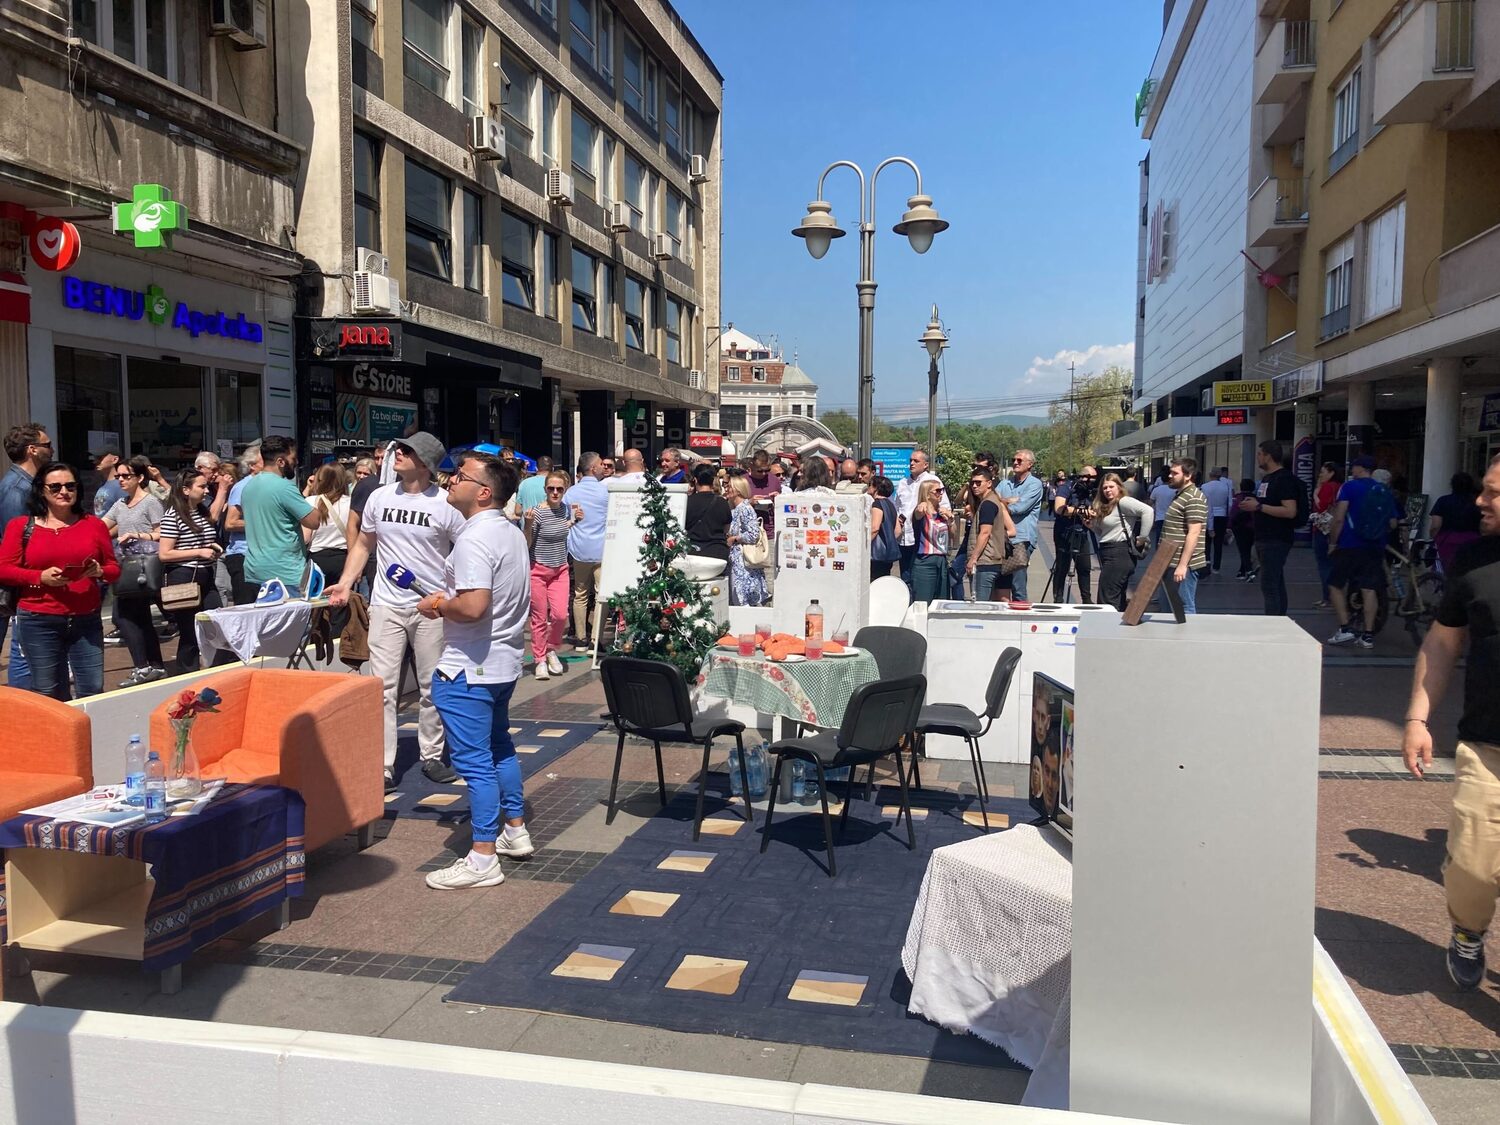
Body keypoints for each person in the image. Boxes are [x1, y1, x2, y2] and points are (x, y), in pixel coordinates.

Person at [1402, 453, 1500, 989]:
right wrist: (1417, 717)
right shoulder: (1474, 560)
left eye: (1493, 493)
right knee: (1472, 870)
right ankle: (1468, 928)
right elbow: (1442, 644)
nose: (1480, 501)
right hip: (1488, 747)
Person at [417, 452, 534, 889]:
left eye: (459, 476)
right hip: (502, 663)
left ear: (484, 492)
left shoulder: (474, 538)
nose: (450, 481)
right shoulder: (510, 532)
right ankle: (515, 830)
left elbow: (473, 606)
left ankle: (483, 856)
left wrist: (437, 603)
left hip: (469, 668)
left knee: (476, 763)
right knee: (499, 747)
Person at [329, 432, 465, 788]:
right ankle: (383, 764)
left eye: (407, 450)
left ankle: (431, 755)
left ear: (425, 462)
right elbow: (363, 544)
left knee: (431, 685)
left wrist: (452, 596)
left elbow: (465, 550)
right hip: (386, 603)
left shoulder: (446, 504)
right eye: (399, 449)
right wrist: (346, 582)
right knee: (382, 686)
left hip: (430, 607)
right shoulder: (380, 496)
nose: (397, 453)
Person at [0, 462, 119, 699]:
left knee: (93, 690)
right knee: (48, 691)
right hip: (38, 619)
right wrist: (39, 577)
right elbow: (4, 569)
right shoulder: (21, 526)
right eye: (55, 487)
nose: (64, 492)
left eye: (70, 486)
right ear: (41, 490)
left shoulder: (94, 525)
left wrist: (99, 571)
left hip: (85, 619)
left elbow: (114, 569)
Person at [102, 456, 167, 686]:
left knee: (125, 616)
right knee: (139, 617)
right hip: (126, 565)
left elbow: (162, 533)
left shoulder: (150, 502)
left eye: (126, 476)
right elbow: (101, 526)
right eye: (118, 476)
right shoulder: (121, 503)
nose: (120, 480)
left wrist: (137, 535)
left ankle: (144, 666)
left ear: (139, 478)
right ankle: (154, 665)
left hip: (144, 566)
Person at [0, 422, 52, 689]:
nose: (51, 450)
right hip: (15, 584)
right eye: (47, 445)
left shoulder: (29, 485)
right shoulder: (16, 489)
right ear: (32, 450)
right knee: (22, 651)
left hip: (22, 581)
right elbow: (16, 542)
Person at [157, 467, 224, 674]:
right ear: (186, 490)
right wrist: (199, 552)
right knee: (189, 632)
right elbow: (164, 554)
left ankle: (217, 669)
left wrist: (211, 548)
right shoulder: (173, 515)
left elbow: (200, 540)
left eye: (206, 486)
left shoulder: (202, 512)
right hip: (184, 576)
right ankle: (187, 673)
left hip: (206, 574)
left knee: (217, 621)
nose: (206, 491)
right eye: (201, 487)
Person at [1325, 456, 1397, 648]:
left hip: (1350, 544)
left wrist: (1333, 542)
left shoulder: (1349, 487)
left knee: (1335, 584)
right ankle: (1368, 635)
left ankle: (1345, 628)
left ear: (1360, 468)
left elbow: (1339, 518)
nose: (1352, 470)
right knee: (1369, 589)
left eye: (1353, 467)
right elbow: (1392, 523)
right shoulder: (1382, 490)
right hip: (1374, 546)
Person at [241, 436, 320, 594]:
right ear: (280, 462)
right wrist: (318, 497)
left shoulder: (248, 486)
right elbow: (314, 521)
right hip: (286, 572)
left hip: (255, 570)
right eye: (293, 459)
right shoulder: (285, 488)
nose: (296, 463)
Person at [1238, 440, 1304, 616]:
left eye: (1260, 454)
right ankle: (1279, 618)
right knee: (1275, 581)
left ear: (1268, 456)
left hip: (1276, 538)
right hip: (1264, 537)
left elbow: (1290, 511)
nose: (1258, 457)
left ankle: (1273, 620)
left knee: (1269, 584)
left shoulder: (1283, 479)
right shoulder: (1267, 479)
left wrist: (1259, 507)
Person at [524, 469, 577, 681]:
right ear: (545, 489)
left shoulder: (564, 509)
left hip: (560, 569)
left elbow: (562, 527)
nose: (555, 492)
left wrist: (575, 521)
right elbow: (527, 543)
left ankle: (551, 648)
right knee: (539, 618)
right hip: (538, 569)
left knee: (560, 615)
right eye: (551, 489)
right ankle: (540, 659)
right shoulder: (537, 512)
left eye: (559, 489)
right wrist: (528, 524)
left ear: (565, 490)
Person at [563, 452, 609, 651]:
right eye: (600, 464)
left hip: (579, 548)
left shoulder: (571, 493)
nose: (603, 467)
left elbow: (568, 517)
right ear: (593, 468)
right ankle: (596, 639)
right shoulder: (605, 491)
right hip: (602, 549)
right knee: (601, 595)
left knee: (580, 593)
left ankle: (581, 637)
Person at [1091, 473, 1154, 610]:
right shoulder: (1107, 505)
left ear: (1119, 487)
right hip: (1109, 552)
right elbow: (1104, 533)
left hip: (1119, 553)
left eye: (1111, 487)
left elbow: (1148, 511)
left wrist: (1142, 537)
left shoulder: (1123, 501)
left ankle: (1109, 623)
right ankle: (1118, 621)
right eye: (1105, 487)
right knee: (1115, 596)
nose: (1108, 490)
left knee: (1107, 597)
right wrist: (1091, 525)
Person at [305, 463, 352, 634]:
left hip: (317, 560)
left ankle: (317, 640)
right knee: (339, 607)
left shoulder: (311, 501)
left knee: (315, 607)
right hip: (343, 559)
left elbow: (306, 537)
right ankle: (337, 639)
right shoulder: (350, 503)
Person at [1157, 458, 1207, 615]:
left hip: (1183, 564)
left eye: (1174, 473)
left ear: (1188, 475)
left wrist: (1183, 565)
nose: (1170, 476)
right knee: (1168, 606)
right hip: (1170, 560)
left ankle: (1186, 631)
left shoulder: (1194, 497)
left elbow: (1194, 533)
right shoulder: (1181, 495)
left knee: (1184, 607)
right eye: (1170, 472)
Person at [894, 449, 946, 593]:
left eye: (916, 461)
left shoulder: (933, 482)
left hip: (923, 539)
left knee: (918, 579)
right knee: (905, 578)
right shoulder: (903, 483)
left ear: (925, 465)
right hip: (904, 537)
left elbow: (944, 506)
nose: (911, 463)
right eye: (910, 460)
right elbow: (897, 507)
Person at [996, 449, 1045, 601]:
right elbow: (992, 502)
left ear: (1030, 464)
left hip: (1021, 539)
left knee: (1018, 584)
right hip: (1003, 537)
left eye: (1019, 460)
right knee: (1001, 584)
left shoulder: (1035, 484)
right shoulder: (1005, 483)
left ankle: (1021, 610)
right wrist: (1010, 500)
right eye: (1014, 460)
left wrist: (1003, 502)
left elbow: (1019, 508)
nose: (1015, 463)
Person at [965, 466, 1015, 603]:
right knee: (991, 604)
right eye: (972, 483)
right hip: (993, 560)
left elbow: (985, 532)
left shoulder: (988, 504)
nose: (974, 486)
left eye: (978, 483)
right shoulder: (992, 501)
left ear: (989, 483)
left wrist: (973, 558)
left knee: (980, 604)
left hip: (985, 562)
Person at [222, 441, 263, 604]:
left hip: (264, 556)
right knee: (247, 607)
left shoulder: (269, 485)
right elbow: (231, 523)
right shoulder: (242, 487)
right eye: (265, 461)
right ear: (252, 465)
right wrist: (264, 524)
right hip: (244, 556)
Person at [1051, 467, 1097, 603]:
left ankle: (1087, 600)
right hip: (1064, 532)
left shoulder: (1090, 492)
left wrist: (1091, 514)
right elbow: (1059, 508)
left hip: (1082, 532)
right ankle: (1058, 598)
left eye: (1094, 478)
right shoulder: (1066, 488)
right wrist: (1079, 511)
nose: (1091, 482)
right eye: (1089, 478)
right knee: (1062, 567)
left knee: (1084, 567)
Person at [725, 475, 767, 606]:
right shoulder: (734, 508)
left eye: (729, 486)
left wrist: (735, 538)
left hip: (744, 562)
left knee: (743, 599)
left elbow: (753, 534)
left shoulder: (745, 509)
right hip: (736, 560)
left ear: (738, 490)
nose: (726, 488)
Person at [909, 479, 953, 604]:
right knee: (923, 602)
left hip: (942, 560)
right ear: (927, 494)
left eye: (942, 490)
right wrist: (921, 507)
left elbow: (953, 535)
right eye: (937, 491)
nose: (941, 494)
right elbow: (917, 515)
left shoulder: (942, 513)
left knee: (941, 602)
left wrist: (950, 519)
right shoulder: (922, 512)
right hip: (925, 560)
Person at [1430, 471, 1482, 574]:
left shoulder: (1443, 501)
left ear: (1452, 485)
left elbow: (1436, 526)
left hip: (1447, 541)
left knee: (1444, 571)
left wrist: (1434, 538)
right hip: (1472, 541)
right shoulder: (1477, 503)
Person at [1310, 462, 1344, 607]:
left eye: (1323, 472)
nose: (1320, 475)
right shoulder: (1340, 487)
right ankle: (1334, 595)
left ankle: (1327, 597)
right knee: (1332, 564)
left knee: (1324, 564)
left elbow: (1321, 506)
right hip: (1336, 529)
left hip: (1323, 529)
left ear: (1331, 473)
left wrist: (1315, 494)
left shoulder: (1327, 487)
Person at [685, 462, 732, 560]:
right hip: (718, 553)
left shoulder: (687, 502)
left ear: (695, 480)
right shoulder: (722, 502)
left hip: (693, 552)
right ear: (713, 480)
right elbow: (726, 529)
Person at [1201, 467, 1234, 575]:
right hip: (1222, 516)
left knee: (1206, 542)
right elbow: (1230, 503)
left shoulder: (1204, 487)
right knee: (1218, 542)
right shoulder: (1225, 486)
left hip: (1207, 515)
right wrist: (1228, 515)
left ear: (1210, 475)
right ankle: (1216, 567)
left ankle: (1207, 563)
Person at [868, 476, 901, 581]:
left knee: (874, 581)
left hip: (876, 555)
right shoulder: (891, 504)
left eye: (870, 485)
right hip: (887, 555)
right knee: (883, 581)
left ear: (876, 488)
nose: (868, 487)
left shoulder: (877, 504)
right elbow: (898, 531)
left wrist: (864, 544)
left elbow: (874, 528)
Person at [511, 454, 553, 520]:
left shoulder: (524, 483)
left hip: (527, 524)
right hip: (548, 524)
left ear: (536, 468)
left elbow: (518, 511)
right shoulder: (555, 485)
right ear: (553, 469)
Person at [92, 450, 125, 519]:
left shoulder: (121, 485)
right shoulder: (102, 484)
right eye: (95, 458)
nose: (95, 461)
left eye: (100, 458)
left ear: (115, 460)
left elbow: (125, 517)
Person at [1149, 470, 1177, 548]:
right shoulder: (1175, 490)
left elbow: (1150, 503)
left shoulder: (1156, 490)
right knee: (1170, 539)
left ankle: (1158, 553)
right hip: (1171, 517)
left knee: (1159, 538)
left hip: (1159, 517)